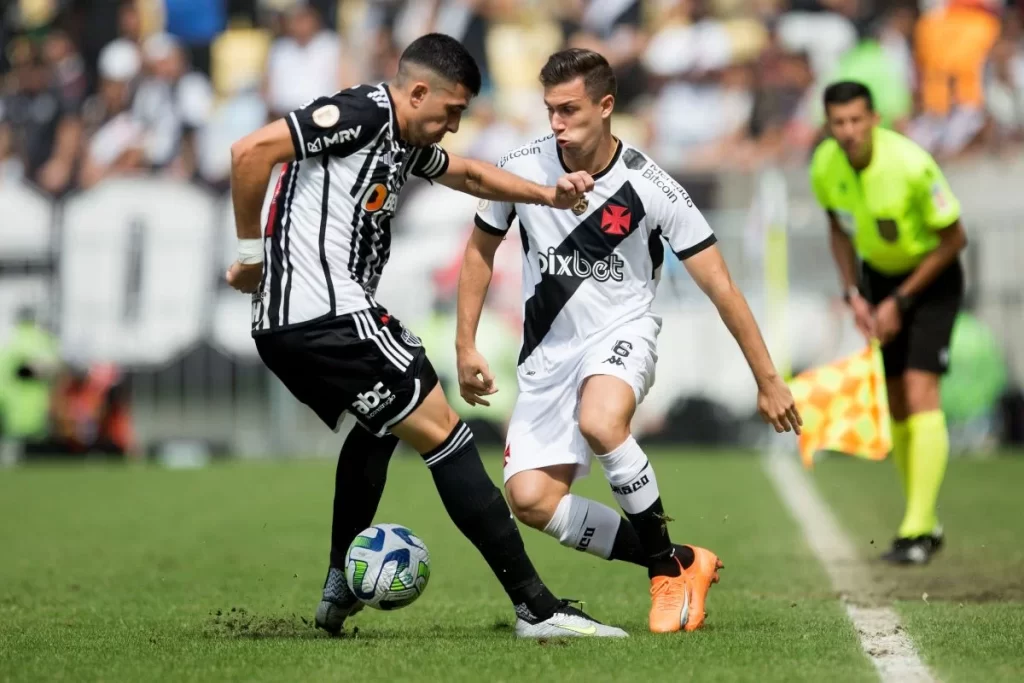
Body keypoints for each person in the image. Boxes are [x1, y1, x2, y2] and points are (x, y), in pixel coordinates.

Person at [226, 33, 625, 639]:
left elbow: (468, 174)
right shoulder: (364, 114)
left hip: (290, 325)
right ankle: (537, 608)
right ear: (417, 92)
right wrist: (249, 254)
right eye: (452, 112)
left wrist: (547, 194)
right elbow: (250, 151)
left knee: (379, 428)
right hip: (328, 315)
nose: (453, 127)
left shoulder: (400, 140)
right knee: (448, 435)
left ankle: (339, 582)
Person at [456, 48, 801, 634]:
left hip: (623, 333)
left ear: (606, 105)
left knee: (602, 420)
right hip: (546, 353)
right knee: (532, 500)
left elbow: (722, 287)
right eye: (549, 110)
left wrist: (768, 379)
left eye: (569, 109)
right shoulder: (519, 169)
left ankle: (665, 576)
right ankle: (680, 560)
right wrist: (465, 345)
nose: (557, 123)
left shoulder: (651, 185)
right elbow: (480, 252)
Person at [810, 81, 968, 565]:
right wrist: (854, 293)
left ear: (874, 118)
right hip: (878, 282)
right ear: (829, 125)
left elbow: (954, 239)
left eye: (857, 120)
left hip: (932, 279)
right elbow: (838, 228)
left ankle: (918, 526)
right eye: (839, 122)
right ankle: (922, 522)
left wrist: (900, 300)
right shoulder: (825, 165)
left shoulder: (912, 165)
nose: (849, 131)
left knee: (921, 390)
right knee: (897, 400)